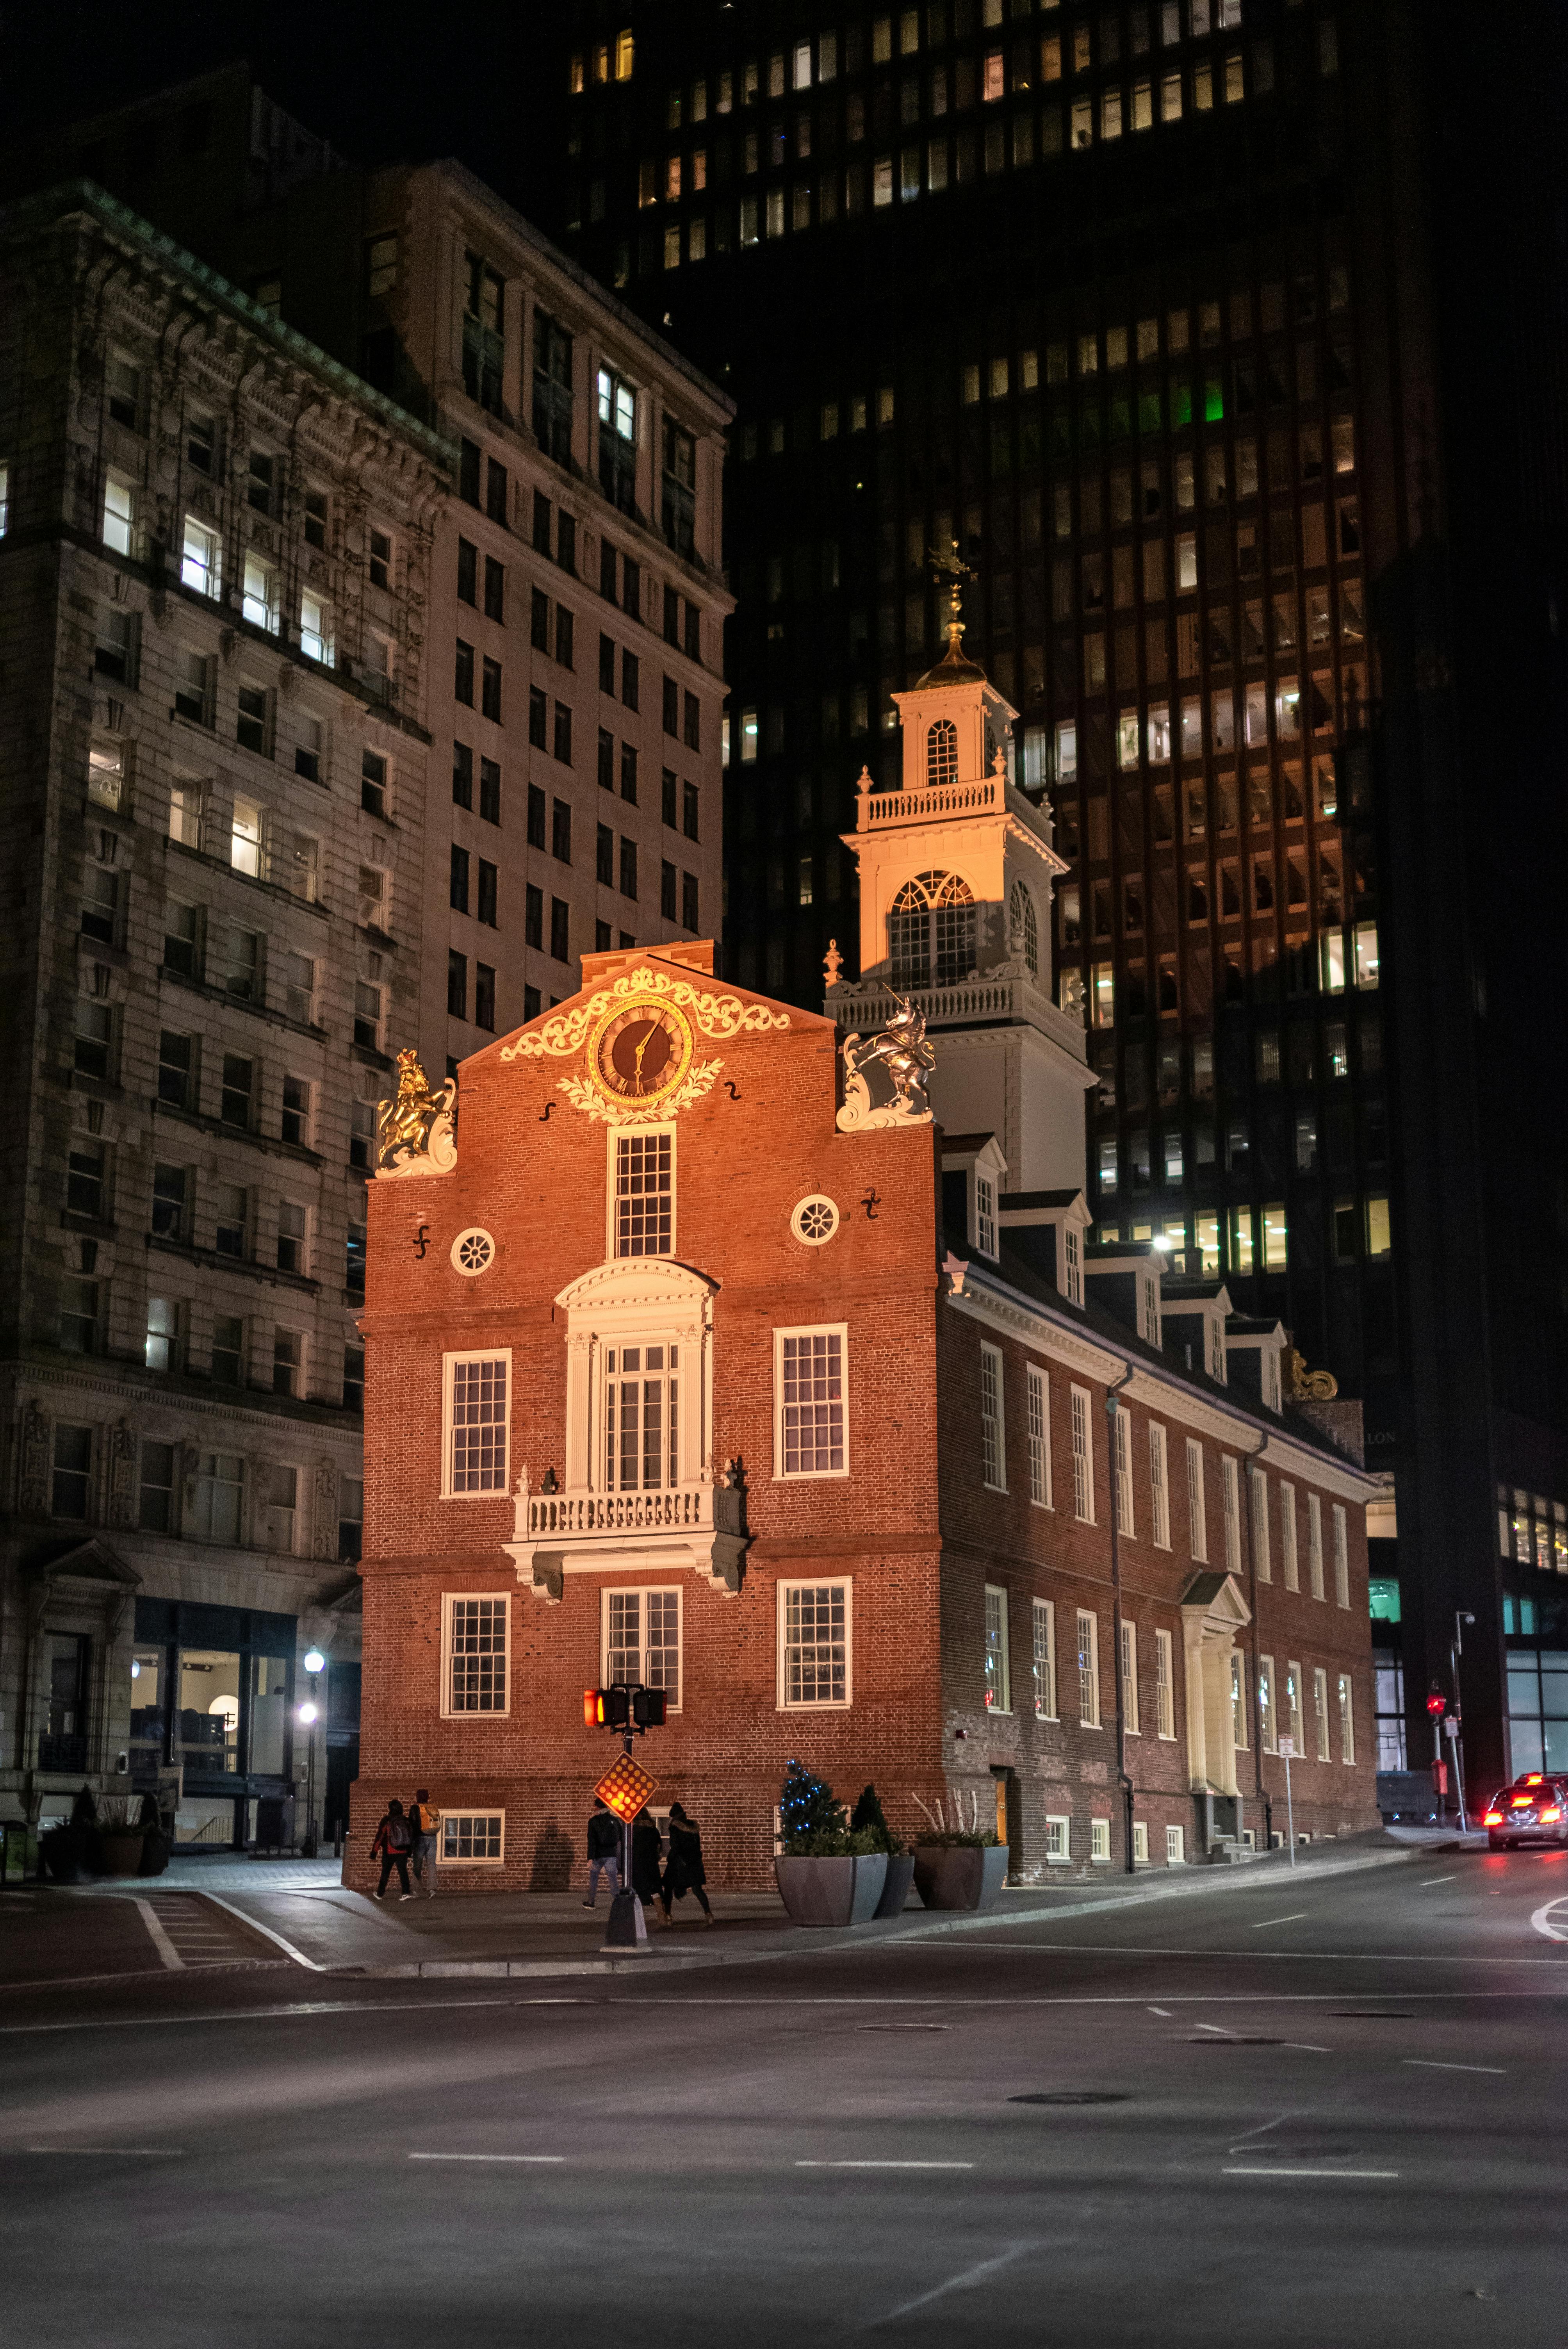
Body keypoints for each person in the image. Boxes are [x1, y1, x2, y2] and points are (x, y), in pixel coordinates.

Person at [659, 1802, 716, 1927]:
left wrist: (670, 1858)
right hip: (695, 1862)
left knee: (669, 1888)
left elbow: (675, 1847)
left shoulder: (674, 1827)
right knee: (698, 1890)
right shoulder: (694, 1827)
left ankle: (668, 1916)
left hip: (679, 1863)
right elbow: (698, 1846)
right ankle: (708, 1914)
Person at [371, 1798, 414, 1901]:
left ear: (390, 1809)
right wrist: (409, 1851)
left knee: (385, 1872)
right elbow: (411, 1837)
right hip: (403, 1851)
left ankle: (380, 1894)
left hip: (389, 1851)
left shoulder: (387, 1820)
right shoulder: (406, 1820)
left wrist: (374, 1852)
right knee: (403, 1872)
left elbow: (380, 1836)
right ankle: (406, 1892)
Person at [582, 1797, 621, 1908]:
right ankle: (618, 1902)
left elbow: (592, 1840)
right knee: (613, 1878)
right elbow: (620, 1838)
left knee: (594, 1877)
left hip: (598, 1854)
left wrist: (590, 1857)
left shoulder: (594, 1821)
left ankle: (591, 1902)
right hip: (611, 1854)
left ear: (597, 1807)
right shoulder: (615, 1821)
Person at [630, 1807, 665, 1925]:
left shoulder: (632, 1830)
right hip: (651, 1864)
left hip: (636, 1864)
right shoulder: (653, 1830)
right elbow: (659, 1847)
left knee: (635, 1892)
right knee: (655, 1891)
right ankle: (662, 1917)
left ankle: (636, 1922)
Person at [409, 1789, 440, 1899]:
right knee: (431, 1864)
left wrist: (411, 1842)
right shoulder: (431, 1807)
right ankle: (432, 1890)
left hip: (420, 1839)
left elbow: (412, 1825)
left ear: (418, 1797)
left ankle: (416, 1890)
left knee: (418, 1865)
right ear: (428, 1797)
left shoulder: (415, 1808)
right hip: (432, 1838)